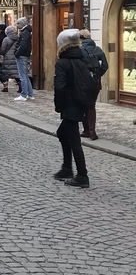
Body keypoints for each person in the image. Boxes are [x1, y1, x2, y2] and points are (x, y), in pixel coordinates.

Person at [54, 28, 97, 188]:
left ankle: (82, 175)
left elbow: (60, 87)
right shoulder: (82, 58)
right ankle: (67, 168)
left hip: (70, 104)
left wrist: (60, 107)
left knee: (74, 140)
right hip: (82, 102)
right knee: (62, 133)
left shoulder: (63, 62)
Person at [79, 29, 108, 140]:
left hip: (82, 82)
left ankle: (86, 130)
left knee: (82, 106)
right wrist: (97, 76)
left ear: (80, 38)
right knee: (91, 106)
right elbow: (105, 66)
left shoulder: (79, 50)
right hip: (95, 83)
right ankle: (92, 131)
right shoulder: (98, 50)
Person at [13, 17, 34, 101]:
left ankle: (24, 94)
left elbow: (23, 45)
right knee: (25, 75)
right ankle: (30, 94)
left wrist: (17, 53)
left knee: (22, 76)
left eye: (18, 23)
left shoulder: (25, 33)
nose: (17, 25)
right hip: (24, 55)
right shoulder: (26, 32)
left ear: (21, 24)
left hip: (22, 56)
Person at [0, 25, 20, 94]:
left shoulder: (6, 39)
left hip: (7, 57)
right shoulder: (18, 38)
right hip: (16, 56)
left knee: (5, 73)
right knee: (16, 73)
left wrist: (1, 54)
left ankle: (5, 87)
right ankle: (20, 86)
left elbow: (3, 49)